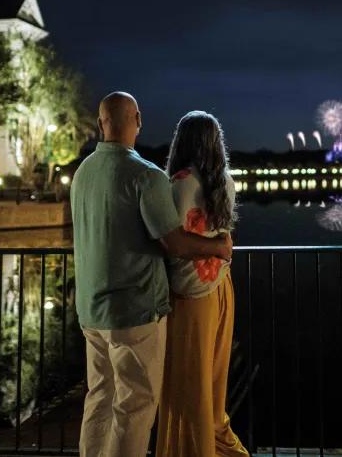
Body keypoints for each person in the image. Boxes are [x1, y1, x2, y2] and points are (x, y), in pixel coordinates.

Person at [71, 92, 233, 457]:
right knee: (134, 407)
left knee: (99, 399)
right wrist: (219, 248)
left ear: (100, 124)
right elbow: (174, 243)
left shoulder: (82, 173)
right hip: (135, 310)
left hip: (91, 311)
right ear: (138, 120)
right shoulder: (146, 175)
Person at [155, 111, 249, 457]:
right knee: (212, 385)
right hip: (222, 289)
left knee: (186, 386)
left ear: (183, 142)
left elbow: (173, 242)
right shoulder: (225, 182)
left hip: (189, 297)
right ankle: (218, 447)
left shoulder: (180, 183)